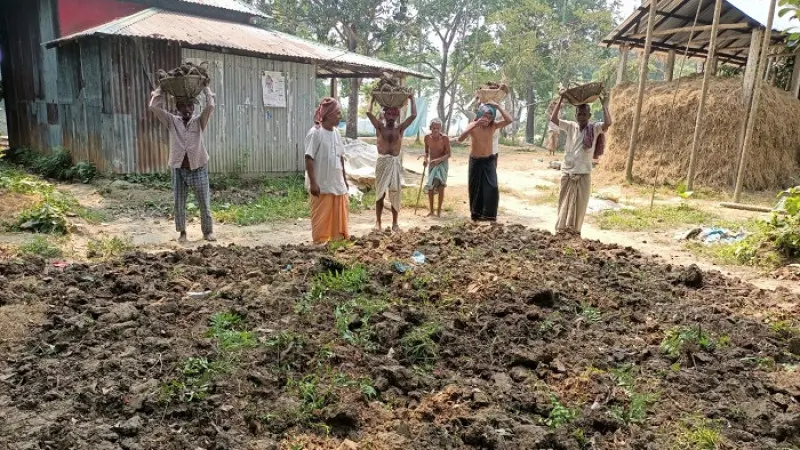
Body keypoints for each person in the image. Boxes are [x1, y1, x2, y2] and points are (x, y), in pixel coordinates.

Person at [149, 86, 216, 244]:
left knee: (204, 201)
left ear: (193, 108)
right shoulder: (171, 121)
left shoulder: (199, 121)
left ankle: (208, 232)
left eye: (190, 106)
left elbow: (210, 106)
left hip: (198, 166)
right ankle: (182, 233)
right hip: (178, 168)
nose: (187, 109)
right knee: (179, 202)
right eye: (183, 106)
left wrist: (206, 89)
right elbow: (153, 107)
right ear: (177, 108)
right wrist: (160, 90)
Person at [550, 92, 613, 235]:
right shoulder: (571, 126)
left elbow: (608, 123)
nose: (582, 117)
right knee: (563, 202)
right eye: (579, 114)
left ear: (589, 116)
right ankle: (561, 229)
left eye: (584, 114)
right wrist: (561, 99)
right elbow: (554, 119)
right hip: (567, 172)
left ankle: (575, 231)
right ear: (575, 116)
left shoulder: (594, 128)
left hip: (583, 173)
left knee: (580, 205)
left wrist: (604, 105)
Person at [366, 95, 417, 231]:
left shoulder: (400, 129)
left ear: (396, 116)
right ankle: (378, 222)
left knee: (395, 192)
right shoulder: (379, 127)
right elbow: (368, 113)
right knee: (380, 193)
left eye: (393, 114)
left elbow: (413, 115)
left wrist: (412, 99)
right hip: (382, 162)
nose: (390, 117)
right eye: (388, 114)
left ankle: (395, 223)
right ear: (385, 114)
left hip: (394, 163)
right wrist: (372, 99)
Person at [457, 102, 513, 221]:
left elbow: (509, 120)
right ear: (480, 114)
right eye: (485, 115)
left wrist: (498, 107)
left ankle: (489, 215)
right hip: (476, 160)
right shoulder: (472, 125)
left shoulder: (493, 126)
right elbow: (460, 139)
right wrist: (476, 123)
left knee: (492, 186)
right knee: (475, 188)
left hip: (488, 160)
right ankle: (476, 214)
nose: (487, 118)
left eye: (489, 116)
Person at [305, 97, 350, 244]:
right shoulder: (315, 133)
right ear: (329, 115)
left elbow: (340, 157)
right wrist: (313, 183)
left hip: (337, 183)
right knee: (321, 217)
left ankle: (337, 242)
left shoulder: (336, 132)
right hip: (322, 185)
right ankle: (320, 242)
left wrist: (344, 180)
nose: (340, 116)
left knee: (339, 215)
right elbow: (309, 158)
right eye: (337, 113)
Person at [422, 118, 451, 217]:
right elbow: (426, 152)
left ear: (440, 129)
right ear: (430, 128)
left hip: (442, 164)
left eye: (438, 128)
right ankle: (431, 211)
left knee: (441, 186)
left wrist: (439, 160)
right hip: (432, 164)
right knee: (430, 186)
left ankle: (438, 211)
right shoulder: (427, 138)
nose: (435, 130)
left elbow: (449, 154)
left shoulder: (444, 138)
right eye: (434, 128)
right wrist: (425, 159)